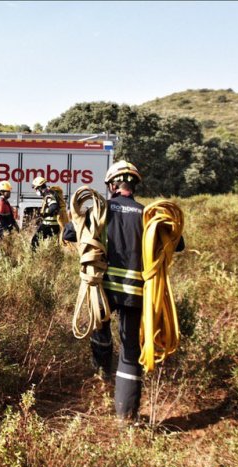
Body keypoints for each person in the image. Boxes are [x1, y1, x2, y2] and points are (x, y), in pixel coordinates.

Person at [62, 160, 185, 422]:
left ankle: (101, 381)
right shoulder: (148, 216)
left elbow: (69, 233)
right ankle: (126, 418)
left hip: (102, 292)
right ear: (135, 184)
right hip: (136, 295)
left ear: (110, 185)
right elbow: (178, 243)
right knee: (130, 353)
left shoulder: (98, 211)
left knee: (100, 331)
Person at [30, 176, 61, 249]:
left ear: (40, 187)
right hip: (54, 225)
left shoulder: (48, 195)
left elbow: (53, 206)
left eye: (36, 189)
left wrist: (43, 213)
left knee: (34, 242)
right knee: (52, 246)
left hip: (49, 225)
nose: (36, 191)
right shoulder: (50, 193)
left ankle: (34, 258)